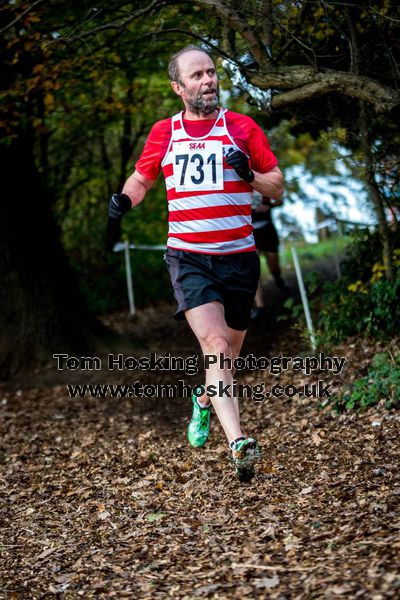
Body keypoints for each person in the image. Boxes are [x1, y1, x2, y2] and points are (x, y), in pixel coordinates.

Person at [108, 45, 284, 481]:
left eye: (211, 73)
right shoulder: (164, 132)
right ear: (178, 87)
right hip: (189, 258)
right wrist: (124, 199)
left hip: (240, 259)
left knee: (227, 352)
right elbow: (143, 176)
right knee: (216, 346)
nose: (208, 81)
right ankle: (239, 443)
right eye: (197, 76)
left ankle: (202, 402)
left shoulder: (243, 128)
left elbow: (276, 186)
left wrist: (250, 175)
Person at [251, 192, 291, 319]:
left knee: (273, 266)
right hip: (250, 232)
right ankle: (260, 306)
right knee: (254, 270)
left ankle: (280, 282)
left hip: (267, 230)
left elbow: (281, 198)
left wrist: (271, 206)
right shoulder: (239, 183)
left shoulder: (264, 182)